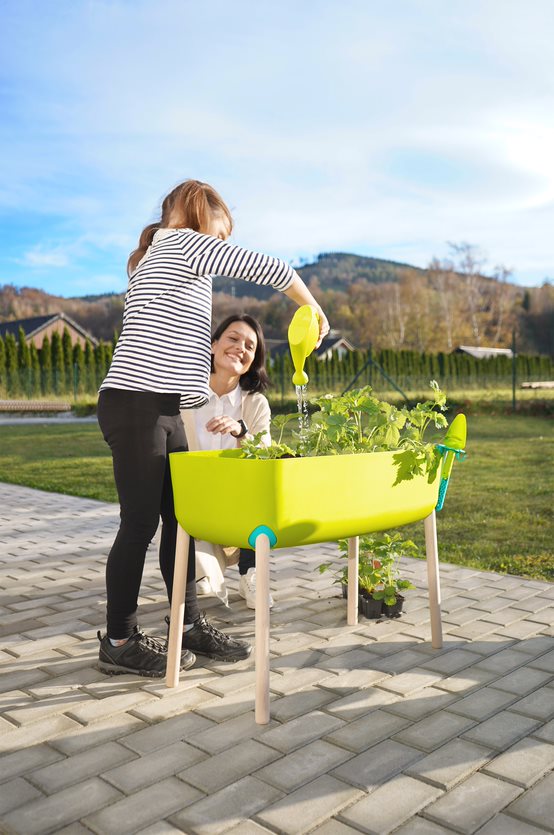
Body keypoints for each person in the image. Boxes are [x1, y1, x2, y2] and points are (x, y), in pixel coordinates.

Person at [96, 178, 329, 677]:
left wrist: (212, 398)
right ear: (197, 216)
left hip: (159, 405)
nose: (220, 247)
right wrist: (311, 305)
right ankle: (118, 639)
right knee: (140, 522)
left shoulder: (159, 260)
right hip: (136, 405)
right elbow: (272, 268)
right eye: (219, 235)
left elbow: (172, 347)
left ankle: (188, 624)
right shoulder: (180, 242)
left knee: (184, 519)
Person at [181, 313, 273, 610]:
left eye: (250, 346)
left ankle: (251, 574)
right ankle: (204, 570)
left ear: (253, 360)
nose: (240, 348)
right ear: (213, 345)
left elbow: (266, 455)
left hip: (239, 498)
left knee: (264, 487)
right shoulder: (183, 396)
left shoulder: (255, 403)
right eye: (233, 339)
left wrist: (241, 430)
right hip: (193, 498)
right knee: (202, 578)